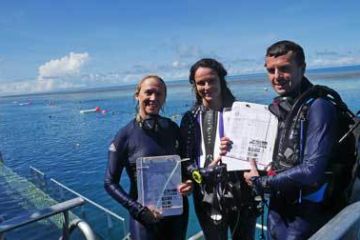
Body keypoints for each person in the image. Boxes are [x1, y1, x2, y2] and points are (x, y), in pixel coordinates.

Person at [236, 40, 339, 239]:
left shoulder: (319, 107)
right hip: (278, 208)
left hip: (305, 212)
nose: (276, 77)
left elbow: (312, 171)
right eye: (271, 70)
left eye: (284, 69)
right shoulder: (280, 107)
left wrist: (262, 182)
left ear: (302, 68)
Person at [104, 75, 192, 240]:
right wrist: (138, 209)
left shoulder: (172, 128)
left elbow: (184, 166)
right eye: (148, 92)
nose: (153, 98)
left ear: (164, 98)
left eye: (159, 94)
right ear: (137, 95)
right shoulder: (124, 136)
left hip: (176, 211)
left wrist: (189, 183)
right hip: (144, 217)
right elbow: (109, 182)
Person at [180, 58, 257, 240]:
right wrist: (201, 173)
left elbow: (257, 150)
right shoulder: (190, 119)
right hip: (207, 197)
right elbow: (185, 160)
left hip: (242, 195)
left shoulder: (241, 113)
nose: (207, 87)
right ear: (195, 86)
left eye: (211, 80)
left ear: (221, 80)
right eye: (201, 83)